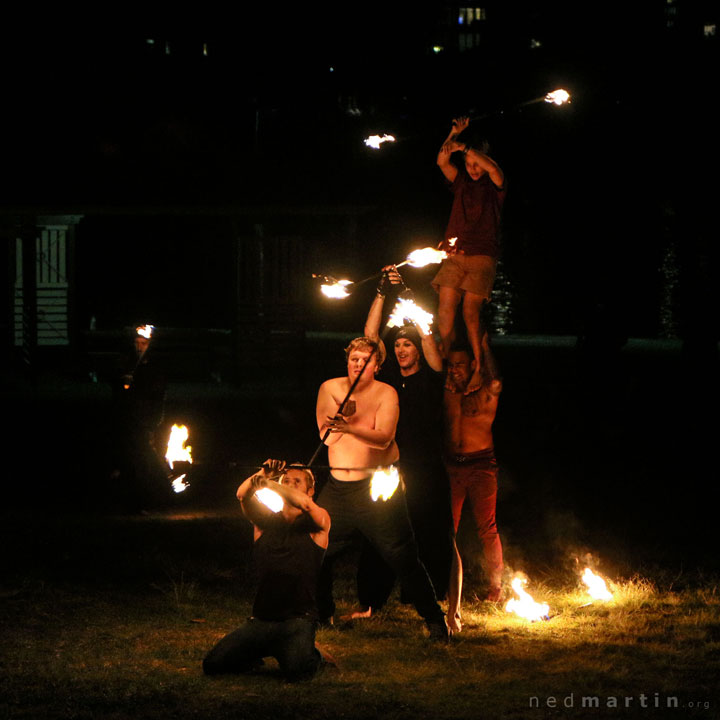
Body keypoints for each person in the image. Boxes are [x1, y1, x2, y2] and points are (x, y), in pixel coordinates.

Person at [344, 269, 459, 631]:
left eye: (406, 344)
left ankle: (433, 601)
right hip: (390, 466)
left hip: (425, 468)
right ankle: (371, 601)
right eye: (398, 346)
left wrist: (408, 294)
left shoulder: (432, 374)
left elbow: (428, 334)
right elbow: (369, 337)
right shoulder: (388, 378)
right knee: (381, 532)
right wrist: (381, 291)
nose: (401, 349)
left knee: (431, 531)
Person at [315, 336, 449, 641]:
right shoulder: (330, 388)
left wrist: (349, 424)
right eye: (354, 360)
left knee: (403, 556)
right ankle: (322, 614)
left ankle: (435, 620)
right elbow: (327, 439)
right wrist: (342, 421)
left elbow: (384, 438)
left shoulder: (386, 392)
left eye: (365, 361)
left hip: (377, 487)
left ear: (377, 365)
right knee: (317, 549)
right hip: (338, 489)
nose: (358, 365)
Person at [203, 459, 332, 681]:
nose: (290, 485)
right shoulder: (264, 522)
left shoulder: (318, 522)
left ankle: (315, 654)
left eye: (297, 482)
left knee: (298, 672)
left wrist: (270, 484)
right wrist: (264, 473)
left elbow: (306, 505)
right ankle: (260, 651)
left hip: (298, 621)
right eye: (286, 481)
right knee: (213, 665)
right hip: (262, 620)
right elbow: (242, 495)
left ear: (311, 491)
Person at [433, 115, 507, 395]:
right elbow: (442, 160)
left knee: (470, 311)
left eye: (477, 163)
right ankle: (445, 359)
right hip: (455, 254)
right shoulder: (461, 181)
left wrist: (463, 147)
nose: (473, 169)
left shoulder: (496, 184)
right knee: (445, 307)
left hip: (482, 256)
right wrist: (452, 135)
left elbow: (492, 167)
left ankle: (477, 366)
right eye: (469, 164)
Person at [444, 335, 504, 612]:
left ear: (471, 366)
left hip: (481, 465)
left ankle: (496, 586)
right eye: (451, 365)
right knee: (446, 528)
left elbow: (495, 379)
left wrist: (483, 347)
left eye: (460, 365)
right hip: (451, 466)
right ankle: (445, 584)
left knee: (487, 527)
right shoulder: (444, 391)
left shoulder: (485, 392)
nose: (454, 369)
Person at [110, 324, 169, 511]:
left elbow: (156, 391)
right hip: (129, 418)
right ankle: (135, 499)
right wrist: (123, 382)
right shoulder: (127, 361)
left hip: (145, 418)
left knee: (144, 460)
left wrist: (134, 386)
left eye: (143, 343)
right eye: (137, 342)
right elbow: (116, 387)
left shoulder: (153, 364)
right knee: (133, 459)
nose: (139, 346)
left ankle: (152, 497)